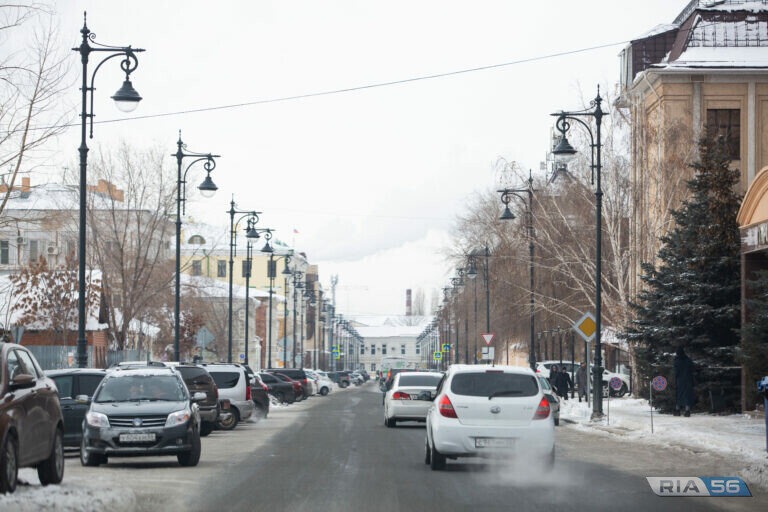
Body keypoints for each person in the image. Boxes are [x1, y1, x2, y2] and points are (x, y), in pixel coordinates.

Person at [674, 347, 695, 417]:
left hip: (680, 380)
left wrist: (676, 377)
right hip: (688, 380)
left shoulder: (676, 361)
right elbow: (692, 369)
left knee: (679, 394)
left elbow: (676, 372)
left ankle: (677, 411)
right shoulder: (688, 360)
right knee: (687, 395)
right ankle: (687, 411)